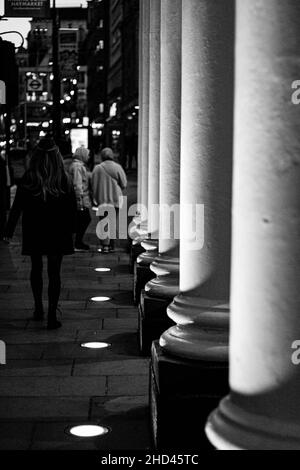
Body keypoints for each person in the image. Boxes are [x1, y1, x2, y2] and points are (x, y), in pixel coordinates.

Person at [3, 137, 77, 330]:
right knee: (54, 272)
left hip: (34, 229)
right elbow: (72, 209)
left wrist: (8, 231)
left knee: (36, 268)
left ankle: (38, 308)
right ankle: (52, 315)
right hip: (57, 231)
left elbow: (17, 207)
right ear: (57, 156)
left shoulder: (29, 177)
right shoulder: (63, 178)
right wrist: (74, 232)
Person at [92, 147, 127, 253]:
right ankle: (111, 245)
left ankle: (104, 246)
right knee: (112, 222)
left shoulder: (97, 168)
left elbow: (93, 185)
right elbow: (124, 183)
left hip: (102, 200)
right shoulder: (117, 167)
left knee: (103, 223)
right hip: (115, 199)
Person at [69, 147, 92, 251]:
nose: (88, 156)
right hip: (80, 199)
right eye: (87, 154)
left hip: (78, 199)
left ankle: (76, 242)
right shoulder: (78, 167)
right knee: (84, 219)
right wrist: (79, 201)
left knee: (79, 220)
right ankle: (77, 243)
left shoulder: (76, 165)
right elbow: (77, 184)